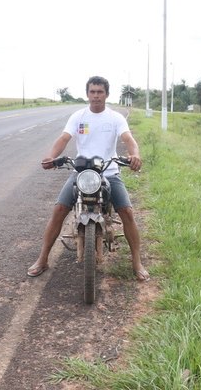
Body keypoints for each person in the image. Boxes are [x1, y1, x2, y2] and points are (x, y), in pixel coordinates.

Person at [27, 76, 150, 281]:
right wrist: (52, 157)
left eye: (100, 92)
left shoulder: (115, 118)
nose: (96, 96)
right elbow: (64, 138)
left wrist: (134, 154)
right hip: (82, 173)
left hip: (109, 172)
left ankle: (137, 262)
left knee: (127, 212)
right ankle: (42, 259)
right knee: (59, 209)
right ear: (87, 94)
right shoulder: (78, 116)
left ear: (107, 94)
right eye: (92, 92)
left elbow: (128, 139)